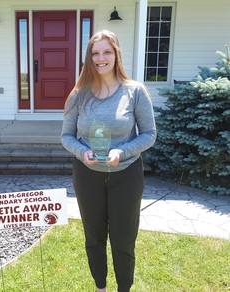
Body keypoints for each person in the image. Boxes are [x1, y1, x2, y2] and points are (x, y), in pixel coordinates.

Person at [61, 30, 157, 292]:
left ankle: (123, 288)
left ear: (116, 54)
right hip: (87, 176)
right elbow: (66, 136)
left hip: (126, 176)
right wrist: (83, 152)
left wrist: (122, 152)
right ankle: (101, 288)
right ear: (88, 58)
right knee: (94, 237)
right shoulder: (78, 94)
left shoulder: (134, 91)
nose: (100, 58)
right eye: (95, 53)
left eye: (106, 52)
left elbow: (149, 134)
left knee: (123, 240)